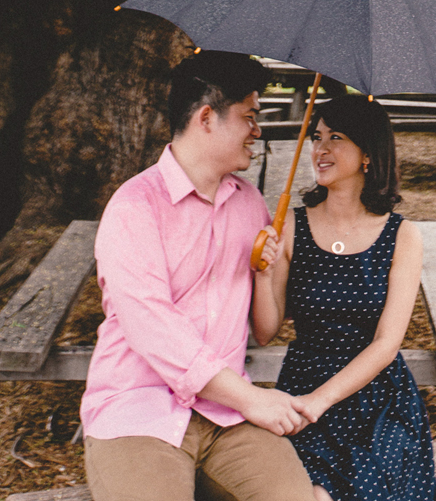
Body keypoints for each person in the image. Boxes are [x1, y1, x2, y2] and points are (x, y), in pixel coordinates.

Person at [80, 51, 314, 501]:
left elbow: (264, 332)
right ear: (207, 117)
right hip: (138, 410)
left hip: (227, 417)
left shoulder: (250, 205)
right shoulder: (135, 207)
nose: (257, 131)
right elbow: (152, 326)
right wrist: (253, 399)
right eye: (249, 116)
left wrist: (269, 270)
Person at [252, 93, 436, 501]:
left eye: (336, 138)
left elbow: (387, 344)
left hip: (376, 396)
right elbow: (265, 331)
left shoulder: (402, 236)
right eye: (317, 137)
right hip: (303, 381)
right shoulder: (293, 227)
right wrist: (263, 277)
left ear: (367, 154)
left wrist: (321, 401)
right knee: (311, 494)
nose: (321, 149)